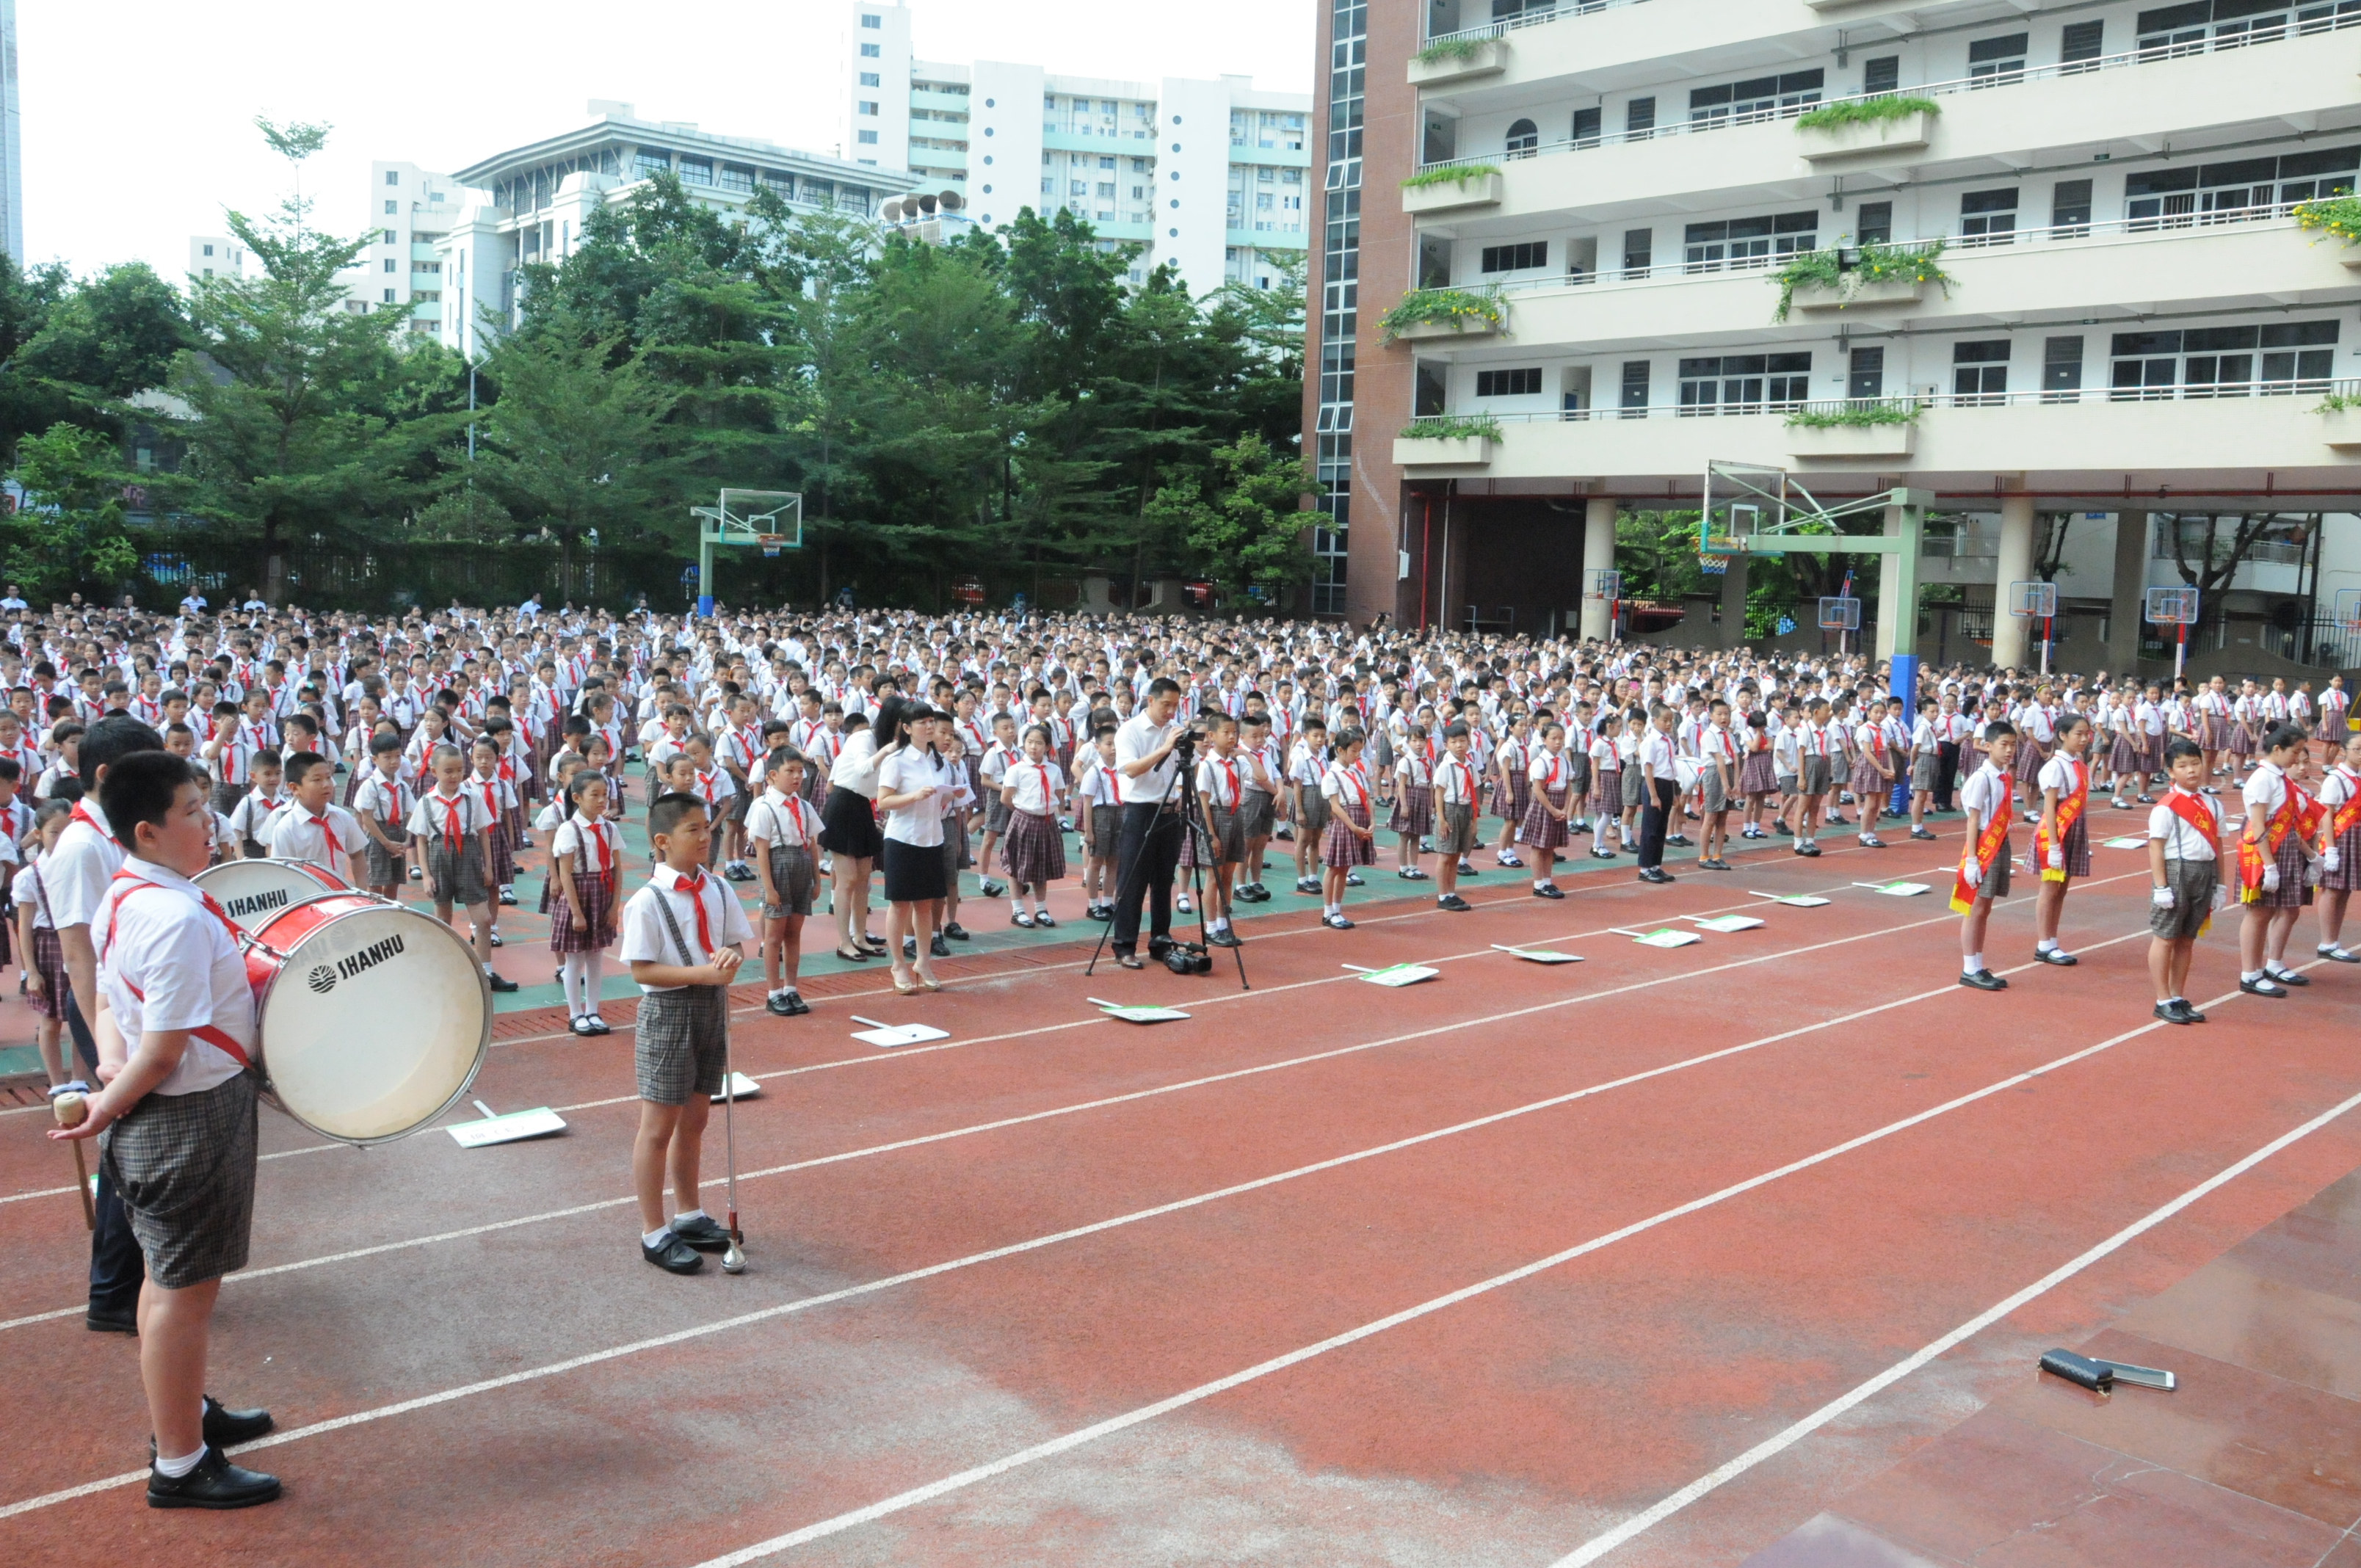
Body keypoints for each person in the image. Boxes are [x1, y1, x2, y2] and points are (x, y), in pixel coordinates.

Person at [48, 749, 280, 1507]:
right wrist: (107, 1104)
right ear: (147, 830)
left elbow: (116, 1010)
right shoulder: (174, 914)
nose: (207, 823)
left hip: (160, 1115)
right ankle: (181, 1464)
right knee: (186, 1293)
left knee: (163, 1281)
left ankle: (186, 1413)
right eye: (191, 812)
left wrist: (107, 1076)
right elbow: (166, 1049)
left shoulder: (123, 894)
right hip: (186, 1119)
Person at [48, 714, 167, 1335]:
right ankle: (114, 1293)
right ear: (104, 775)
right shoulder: (80, 846)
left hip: (126, 1006)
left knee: (137, 1155)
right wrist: (107, 1048)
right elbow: (78, 954)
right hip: (107, 1011)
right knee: (131, 1155)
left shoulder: (112, 834)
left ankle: (128, 1284)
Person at [619, 790, 751, 1274]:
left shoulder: (717, 888)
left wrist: (730, 956)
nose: (704, 836)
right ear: (662, 840)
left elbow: (734, 940)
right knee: (658, 1126)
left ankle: (689, 1213)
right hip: (669, 1014)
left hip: (711, 1009)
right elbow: (642, 971)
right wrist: (703, 974)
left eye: (706, 827)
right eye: (692, 829)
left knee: (697, 1116)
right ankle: (653, 1231)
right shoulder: (647, 901)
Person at [408, 744, 520, 992]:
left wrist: (488, 867)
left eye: (459, 770)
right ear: (434, 771)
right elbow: (421, 840)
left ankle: (486, 972)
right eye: (448, 771)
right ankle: (444, 969)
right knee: (443, 917)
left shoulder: (473, 797)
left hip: (468, 855)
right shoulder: (427, 801)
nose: (455, 776)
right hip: (439, 857)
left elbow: (483, 833)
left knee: (483, 918)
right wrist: (425, 875)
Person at [1109, 678, 1188, 970]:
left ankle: (1160, 940)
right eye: (1166, 704)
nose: (1170, 711)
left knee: (1163, 881)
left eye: (1175, 705)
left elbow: (1180, 769)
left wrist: (1180, 792)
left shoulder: (1174, 730)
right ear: (1151, 700)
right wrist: (1165, 746)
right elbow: (1130, 769)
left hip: (1169, 811)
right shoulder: (1130, 730)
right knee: (1132, 880)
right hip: (1140, 810)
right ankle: (1125, 945)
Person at [874, 703, 953, 992]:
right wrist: (915, 796)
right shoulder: (896, 760)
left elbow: (937, 799)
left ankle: (923, 961)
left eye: (931, 721)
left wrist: (947, 797)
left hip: (932, 837)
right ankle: (898, 964)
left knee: (926, 905)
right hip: (903, 839)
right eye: (922, 722)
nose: (929, 727)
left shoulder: (938, 760)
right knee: (900, 903)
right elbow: (883, 802)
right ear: (907, 728)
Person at [2236, 722, 2318, 997]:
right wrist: (2268, 864)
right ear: (2277, 749)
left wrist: (2311, 857)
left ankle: (2263, 968)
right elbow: (2258, 825)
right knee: (2258, 912)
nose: (2297, 758)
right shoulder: (2263, 779)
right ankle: (2250, 973)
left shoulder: (2280, 777)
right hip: (2265, 851)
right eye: (2294, 752)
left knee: (2270, 911)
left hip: (2282, 848)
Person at [2147, 738, 2224, 1023]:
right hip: (2176, 871)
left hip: (2204, 872)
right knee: (2166, 938)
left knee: (2187, 939)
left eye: (2195, 763)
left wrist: (2221, 884)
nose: (2191, 770)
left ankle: (2178, 996)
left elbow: (2217, 846)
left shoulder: (2213, 804)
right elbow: (2156, 847)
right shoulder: (2166, 807)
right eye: (2182, 765)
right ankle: (2162, 998)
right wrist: (2161, 887)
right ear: (2171, 772)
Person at [747, 749, 819, 1016]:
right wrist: (768, 888)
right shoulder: (765, 808)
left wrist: (816, 880)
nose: (798, 776)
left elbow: (812, 844)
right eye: (790, 771)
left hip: (801, 866)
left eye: (800, 771)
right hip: (779, 867)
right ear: (772, 776)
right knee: (774, 936)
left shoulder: (805, 806)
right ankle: (773, 992)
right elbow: (762, 851)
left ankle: (791, 988)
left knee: (794, 933)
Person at [819, 692, 890, 962]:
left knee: (863, 879)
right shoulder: (865, 739)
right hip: (843, 806)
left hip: (861, 808)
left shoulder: (885, 744)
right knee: (847, 880)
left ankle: (860, 937)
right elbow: (845, 779)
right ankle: (844, 942)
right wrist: (887, 751)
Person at [550, 769, 620, 1036]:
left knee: (596, 957)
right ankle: (575, 1013)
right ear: (577, 798)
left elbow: (617, 869)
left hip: (602, 893)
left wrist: (614, 907)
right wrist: (576, 913)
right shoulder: (569, 830)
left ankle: (593, 1009)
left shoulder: (609, 828)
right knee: (574, 959)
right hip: (578, 895)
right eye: (596, 795)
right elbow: (566, 872)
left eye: (605, 794)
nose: (603, 800)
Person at [1952, 719, 2019, 992]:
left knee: (1987, 906)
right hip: (1982, 844)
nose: (2009, 750)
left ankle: (1978, 965)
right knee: (1976, 908)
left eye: (2013, 745)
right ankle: (1969, 968)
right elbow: (1973, 820)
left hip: (2000, 841)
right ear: (1987, 746)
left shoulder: (2003, 776)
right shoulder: (1981, 778)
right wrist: (1971, 860)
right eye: (2004, 745)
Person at [2029, 713, 2095, 967]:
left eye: (2086, 733)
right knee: (2050, 887)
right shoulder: (2055, 766)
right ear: (2062, 735)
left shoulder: (2079, 763)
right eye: (2078, 734)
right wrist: (2054, 846)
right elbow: (2049, 808)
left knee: (2063, 888)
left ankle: (2052, 940)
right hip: (2056, 830)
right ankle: (2044, 944)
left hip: (2075, 826)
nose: (2084, 738)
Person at [15, 799, 73, 1087]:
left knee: (83, 1019)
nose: (63, 839)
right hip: (50, 947)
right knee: (51, 1020)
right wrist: (32, 972)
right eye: (55, 832)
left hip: (79, 945)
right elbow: (24, 927)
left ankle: (80, 1080)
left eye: (70, 831)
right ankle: (57, 1084)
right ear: (38, 834)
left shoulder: (80, 867)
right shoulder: (30, 876)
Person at [259, 750, 366, 885]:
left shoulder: (342, 817)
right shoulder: (286, 828)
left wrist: (361, 891)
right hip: (306, 900)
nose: (326, 784)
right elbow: (282, 874)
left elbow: (357, 855)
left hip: (339, 897)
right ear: (294, 788)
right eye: (317, 780)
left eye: (328, 777)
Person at [1002, 722, 1070, 932]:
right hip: (1024, 820)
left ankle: (1041, 910)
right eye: (1030, 742)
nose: (1033, 747)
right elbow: (1006, 798)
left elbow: (1059, 795)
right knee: (1016, 866)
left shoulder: (1054, 770)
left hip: (1047, 822)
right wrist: (1024, 814)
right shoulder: (1017, 769)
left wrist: (1059, 817)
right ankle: (1018, 911)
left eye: (1038, 743)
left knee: (1042, 868)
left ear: (1047, 746)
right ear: (1023, 745)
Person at [1319, 727, 1377, 929]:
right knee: (1334, 867)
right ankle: (1328, 912)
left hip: (1360, 819)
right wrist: (1354, 827)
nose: (1357, 755)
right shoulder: (1332, 775)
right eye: (1353, 751)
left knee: (1345, 868)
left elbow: (1368, 797)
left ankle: (1337, 908)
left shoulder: (1358, 772)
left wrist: (1372, 821)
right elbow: (1335, 806)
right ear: (1340, 750)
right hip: (1346, 823)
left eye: (1360, 751)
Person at [2315, 730, 2361, 963]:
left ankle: (2334, 940)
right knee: (2332, 889)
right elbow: (2327, 816)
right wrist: (2331, 849)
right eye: (2357, 749)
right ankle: (2326, 941)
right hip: (2340, 839)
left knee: (2345, 890)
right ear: (2343, 751)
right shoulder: (2336, 779)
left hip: (2356, 837)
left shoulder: (2358, 777)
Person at [352, 733, 414, 899]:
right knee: (375, 882)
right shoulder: (370, 786)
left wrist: (407, 841)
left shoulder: (402, 786)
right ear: (374, 760)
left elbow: (410, 814)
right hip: (378, 836)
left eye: (398, 756)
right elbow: (367, 818)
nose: (394, 762)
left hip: (399, 835)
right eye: (387, 757)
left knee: (394, 882)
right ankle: (375, 914)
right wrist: (386, 843)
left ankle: (389, 913)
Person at [1432, 720, 1481, 912]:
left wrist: (1474, 819)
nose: (1459, 746)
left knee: (1456, 855)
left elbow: (1474, 792)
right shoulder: (1446, 766)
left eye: (1463, 741)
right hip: (1450, 810)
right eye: (1454, 742)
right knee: (1446, 855)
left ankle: (1451, 893)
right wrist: (1441, 819)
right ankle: (1443, 895)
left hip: (1466, 809)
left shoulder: (1470, 765)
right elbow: (1438, 793)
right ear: (1446, 745)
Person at [1634, 703, 1678, 885]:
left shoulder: (1667, 740)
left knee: (1661, 828)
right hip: (1655, 785)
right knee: (1650, 828)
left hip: (1667, 784)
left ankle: (1655, 865)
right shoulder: (1650, 742)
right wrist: (1653, 795)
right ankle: (1645, 868)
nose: (1668, 724)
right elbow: (1648, 769)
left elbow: (1670, 767)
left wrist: (1673, 792)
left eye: (1671, 720)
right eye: (1664, 720)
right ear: (1654, 721)